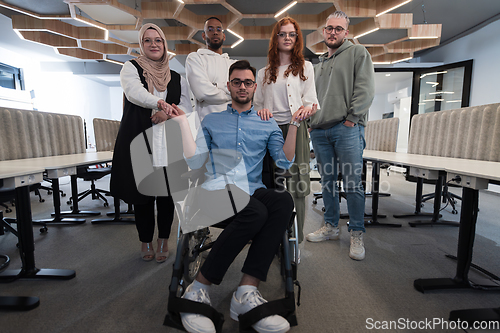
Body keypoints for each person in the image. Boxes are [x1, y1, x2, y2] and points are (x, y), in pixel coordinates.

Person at [171, 60, 314, 333]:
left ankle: (245, 292)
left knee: (282, 201)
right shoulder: (212, 121)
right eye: (236, 82)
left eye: (248, 82)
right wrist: (181, 123)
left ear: (254, 86)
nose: (242, 87)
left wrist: (294, 124)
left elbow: (283, 163)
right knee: (257, 211)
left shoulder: (266, 122)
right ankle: (198, 287)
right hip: (216, 193)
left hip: (252, 192)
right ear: (229, 86)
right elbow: (196, 160)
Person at [110, 23, 192, 263]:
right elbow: (134, 92)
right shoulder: (131, 68)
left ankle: (163, 239)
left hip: (169, 143)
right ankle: (145, 239)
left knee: (166, 195)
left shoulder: (177, 77)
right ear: (141, 44)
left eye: (158, 40)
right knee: (142, 195)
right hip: (139, 140)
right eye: (148, 40)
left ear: (165, 44)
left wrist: (168, 113)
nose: (154, 44)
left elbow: (187, 105)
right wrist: (160, 103)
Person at [305, 11, 375, 261]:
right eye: (329, 28)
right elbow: (312, 98)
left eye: (338, 28)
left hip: (346, 129)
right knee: (327, 183)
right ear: (323, 32)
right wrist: (312, 124)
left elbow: (365, 88)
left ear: (346, 32)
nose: (332, 32)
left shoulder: (357, 53)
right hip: (320, 131)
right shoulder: (318, 65)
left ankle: (356, 232)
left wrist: (351, 119)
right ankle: (331, 227)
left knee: (352, 184)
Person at [254, 16, 319, 247]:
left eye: (292, 34)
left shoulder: (305, 67)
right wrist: (261, 112)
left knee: (298, 184)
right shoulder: (263, 73)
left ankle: (295, 241)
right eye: (283, 34)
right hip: (270, 132)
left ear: (297, 38)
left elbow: (312, 102)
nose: (288, 38)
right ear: (276, 38)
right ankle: (272, 239)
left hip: (296, 129)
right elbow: (257, 105)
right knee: (273, 185)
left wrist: (305, 110)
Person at [185, 17, 235, 122]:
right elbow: (202, 93)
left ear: (224, 36)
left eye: (218, 29)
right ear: (204, 35)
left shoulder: (234, 64)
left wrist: (215, 85)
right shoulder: (195, 58)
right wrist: (228, 92)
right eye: (210, 29)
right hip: (205, 126)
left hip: (232, 123)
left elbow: (239, 92)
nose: (215, 33)